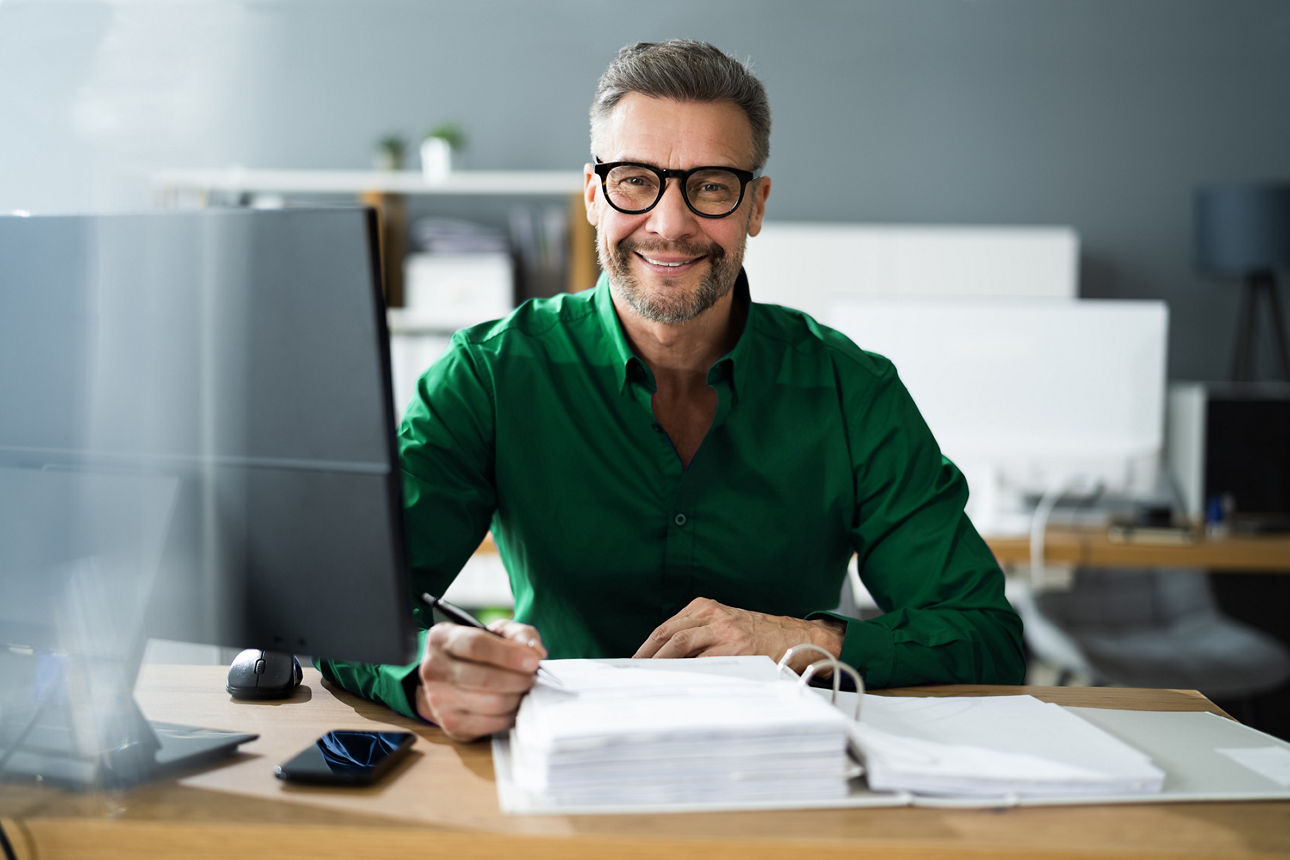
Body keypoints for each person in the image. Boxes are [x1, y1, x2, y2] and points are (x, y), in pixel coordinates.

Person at [320, 39, 1025, 741]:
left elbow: (985, 637)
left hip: (785, 776)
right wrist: (423, 673)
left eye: (711, 185)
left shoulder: (852, 390)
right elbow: (343, 608)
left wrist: (803, 643)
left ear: (756, 205)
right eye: (635, 180)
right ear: (594, 195)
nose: (670, 223)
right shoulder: (490, 373)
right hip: (555, 772)